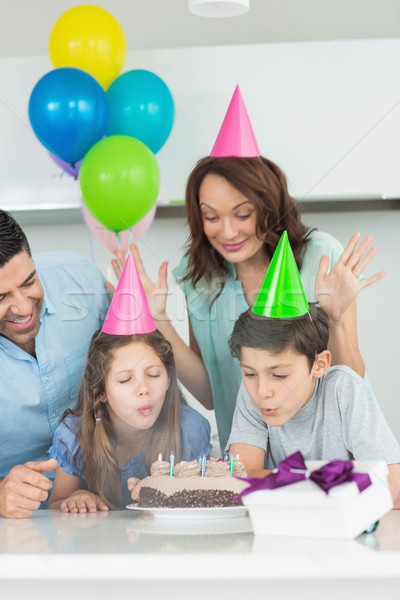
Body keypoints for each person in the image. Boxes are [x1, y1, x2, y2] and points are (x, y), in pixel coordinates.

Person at [111, 87, 385, 453]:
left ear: (268, 206)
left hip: (329, 463)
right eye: (211, 217)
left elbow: (352, 380)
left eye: (242, 214)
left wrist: (333, 318)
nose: (227, 232)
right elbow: (212, 394)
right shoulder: (201, 277)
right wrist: (159, 319)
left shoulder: (321, 259)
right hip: (248, 460)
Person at [227, 304, 400, 508]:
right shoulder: (253, 392)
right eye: (249, 373)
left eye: (279, 375)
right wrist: (329, 482)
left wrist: (282, 484)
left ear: (319, 365)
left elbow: (393, 488)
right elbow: (241, 480)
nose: (262, 391)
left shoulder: (342, 388)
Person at [0, 210, 110, 518]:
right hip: (14, 519)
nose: (23, 307)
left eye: (29, 282)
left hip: (101, 503)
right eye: (0, 298)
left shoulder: (80, 279)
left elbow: (140, 362)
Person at [48, 329, 212, 512]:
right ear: (100, 391)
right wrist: (75, 499)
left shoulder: (189, 429)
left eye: (154, 375)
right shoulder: (75, 435)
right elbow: (56, 508)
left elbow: (211, 500)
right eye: (125, 380)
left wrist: (169, 494)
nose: (143, 389)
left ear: (169, 379)